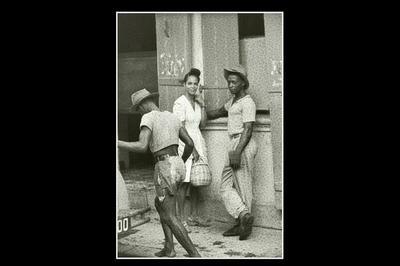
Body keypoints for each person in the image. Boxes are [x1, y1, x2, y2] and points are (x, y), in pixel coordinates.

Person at [118, 89, 201, 257]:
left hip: (164, 167)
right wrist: (180, 162)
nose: (139, 111)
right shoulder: (172, 116)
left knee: (170, 216)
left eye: (138, 108)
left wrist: (118, 142)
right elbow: (190, 144)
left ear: (142, 105)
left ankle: (195, 254)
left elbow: (142, 146)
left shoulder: (148, 117)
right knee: (159, 203)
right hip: (177, 164)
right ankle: (169, 247)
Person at [205, 65, 258, 241]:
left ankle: (243, 225)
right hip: (234, 144)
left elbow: (248, 129)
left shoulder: (248, 102)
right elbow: (217, 112)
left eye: (234, 82)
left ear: (243, 83)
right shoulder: (233, 101)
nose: (230, 85)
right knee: (226, 186)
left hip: (242, 143)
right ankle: (243, 216)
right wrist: (198, 111)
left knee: (243, 186)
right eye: (229, 82)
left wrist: (237, 150)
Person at [173, 68, 211, 233]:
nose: (193, 86)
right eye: (190, 83)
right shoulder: (179, 103)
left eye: (196, 84)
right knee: (184, 183)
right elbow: (180, 128)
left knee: (196, 183)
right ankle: (181, 219)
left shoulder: (196, 102)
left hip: (198, 142)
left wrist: (203, 105)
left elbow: (202, 125)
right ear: (184, 84)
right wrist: (192, 148)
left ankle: (194, 216)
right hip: (186, 145)